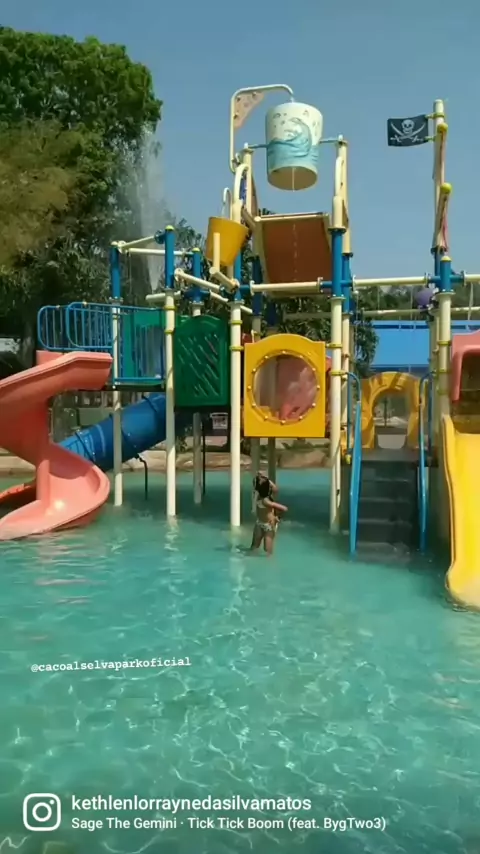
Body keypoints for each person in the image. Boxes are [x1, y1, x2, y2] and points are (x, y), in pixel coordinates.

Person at [250, 473, 288, 555]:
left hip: (269, 526)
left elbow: (284, 508)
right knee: (254, 547)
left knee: (267, 550)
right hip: (259, 523)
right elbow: (255, 482)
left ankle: (270, 562)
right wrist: (265, 478)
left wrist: (277, 517)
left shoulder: (266, 501)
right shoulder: (257, 495)